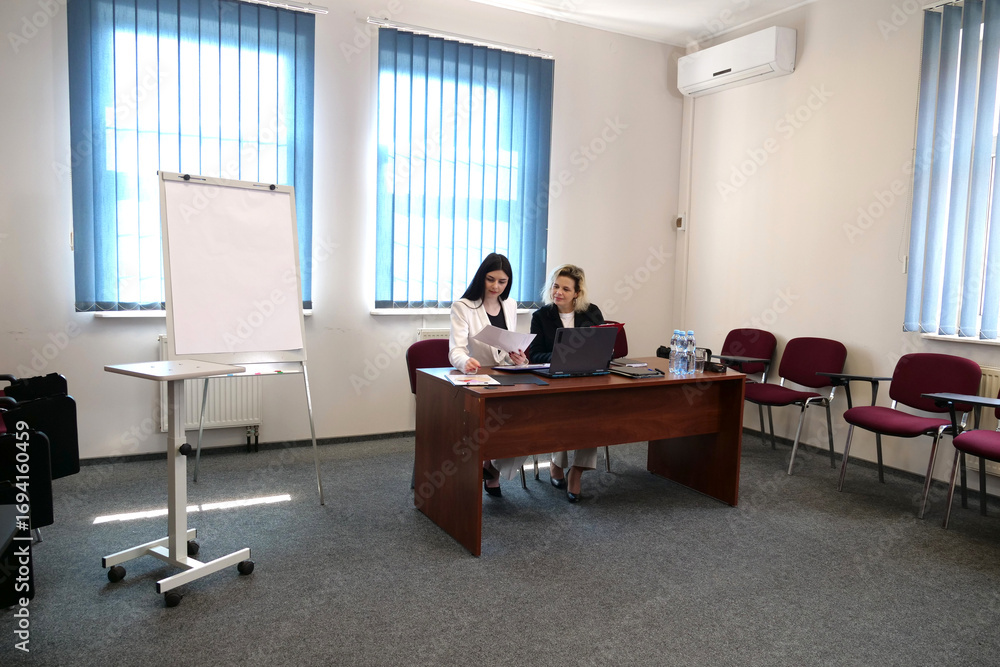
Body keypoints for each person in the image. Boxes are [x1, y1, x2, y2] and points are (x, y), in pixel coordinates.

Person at [449, 253, 528, 498]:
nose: (495, 287)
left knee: (526, 418)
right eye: (490, 279)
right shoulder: (463, 306)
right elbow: (456, 350)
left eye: (502, 282)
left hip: (503, 375)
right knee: (490, 421)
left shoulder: (510, 305)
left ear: (509, 282)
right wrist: (465, 362)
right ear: (481, 277)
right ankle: (486, 466)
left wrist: (519, 359)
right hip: (475, 378)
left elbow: (504, 348)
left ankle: (492, 466)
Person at [527, 264, 604, 502]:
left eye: (565, 288)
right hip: (555, 381)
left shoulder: (592, 313)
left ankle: (577, 472)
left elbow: (602, 348)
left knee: (593, 416)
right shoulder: (541, 316)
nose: (558, 292)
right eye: (555, 286)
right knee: (561, 413)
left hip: (587, 379)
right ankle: (556, 463)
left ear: (577, 293)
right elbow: (535, 354)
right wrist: (560, 356)